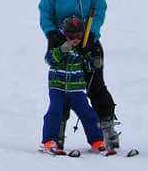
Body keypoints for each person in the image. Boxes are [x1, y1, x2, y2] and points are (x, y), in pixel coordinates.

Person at [38, 0, 117, 153]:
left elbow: (100, 9)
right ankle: (58, 134)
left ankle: (106, 131)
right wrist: (51, 33)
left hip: (88, 39)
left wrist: (93, 33)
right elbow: (44, 11)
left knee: (95, 86)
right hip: (60, 40)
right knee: (62, 90)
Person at [40, 16, 103, 156]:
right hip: (58, 88)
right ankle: (49, 140)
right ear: (64, 33)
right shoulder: (59, 44)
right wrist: (62, 49)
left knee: (88, 113)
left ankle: (97, 141)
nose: (75, 39)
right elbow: (49, 59)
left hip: (76, 89)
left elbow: (87, 66)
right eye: (71, 35)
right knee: (55, 112)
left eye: (79, 35)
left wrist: (94, 62)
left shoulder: (81, 49)